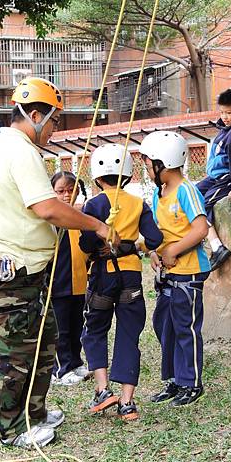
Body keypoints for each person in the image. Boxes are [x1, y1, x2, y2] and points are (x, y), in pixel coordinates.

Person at [0, 77, 119, 449]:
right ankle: (10, 429)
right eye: (53, 121)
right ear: (35, 114)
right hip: (10, 267)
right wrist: (97, 224)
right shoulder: (18, 151)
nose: (54, 130)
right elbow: (47, 207)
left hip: (27, 270)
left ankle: (34, 414)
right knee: (14, 354)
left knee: (42, 344)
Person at [79, 144, 163, 421]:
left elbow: (86, 242)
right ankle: (127, 402)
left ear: (98, 177)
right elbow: (155, 240)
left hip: (103, 275)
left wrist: (97, 248)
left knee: (95, 330)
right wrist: (132, 244)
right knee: (129, 334)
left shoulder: (95, 204)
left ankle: (103, 390)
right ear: (127, 175)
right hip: (130, 275)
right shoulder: (139, 203)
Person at [140, 131, 210, 406]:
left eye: (148, 164)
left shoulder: (186, 190)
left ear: (163, 163)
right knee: (164, 325)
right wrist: (156, 252)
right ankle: (174, 380)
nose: (146, 169)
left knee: (186, 327)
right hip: (168, 273)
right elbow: (161, 232)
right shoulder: (160, 193)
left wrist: (173, 250)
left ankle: (191, 383)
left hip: (189, 272)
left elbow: (201, 228)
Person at [196, 89, 231, 272]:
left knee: (200, 205)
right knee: (190, 196)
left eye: (229, 113)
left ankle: (217, 247)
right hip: (214, 177)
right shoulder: (224, 130)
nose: (225, 116)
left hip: (226, 179)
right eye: (222, 112)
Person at [49, 171, 91, 386]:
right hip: (59, 285)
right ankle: (60, 369)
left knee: (77, 326)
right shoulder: (52, 220)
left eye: (71, 190)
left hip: (79, 283)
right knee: (61, 329)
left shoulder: (80, 218)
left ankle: (75, 362)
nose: (67, 195)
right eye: (61, 191)